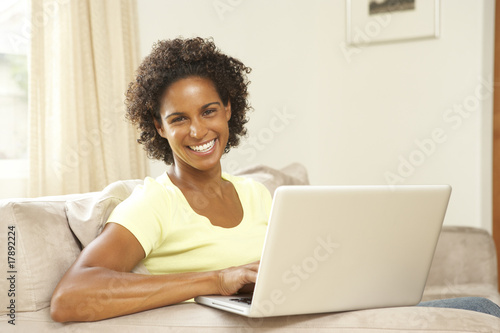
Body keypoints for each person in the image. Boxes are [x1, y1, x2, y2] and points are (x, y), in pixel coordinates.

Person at [50, 37, 500, 323]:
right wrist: (215, 279)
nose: (198, 131)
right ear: (159, 127)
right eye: (178, 119)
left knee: (480, 308)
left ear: (229, 108)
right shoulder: (153, 203)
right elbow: (70, 297)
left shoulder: (257, 193)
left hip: (309, 318)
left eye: (209, 111)